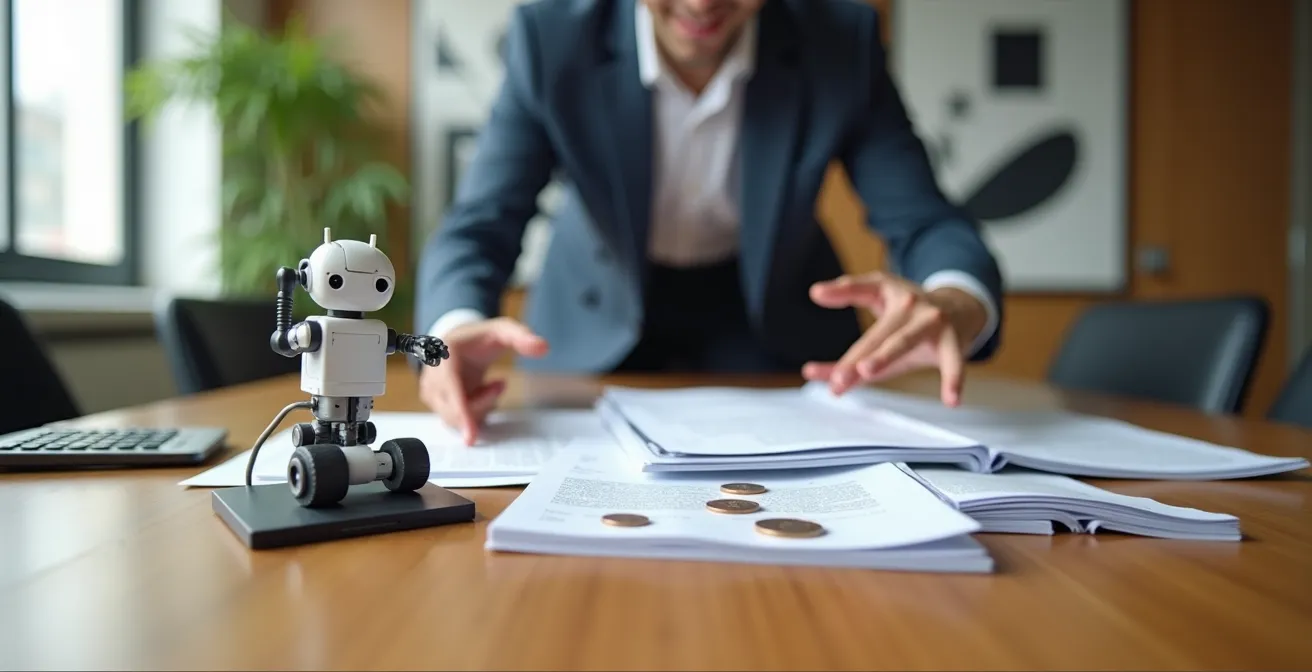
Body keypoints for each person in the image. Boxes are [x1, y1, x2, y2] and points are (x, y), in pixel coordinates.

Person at [414, 0, 1005, 444]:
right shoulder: (552, 35)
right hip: (594, 323)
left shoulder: (839, 39)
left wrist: (956, 298)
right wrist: (451, 330)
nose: (701, 3)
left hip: (774, 328)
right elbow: (481, 223)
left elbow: (925, 220)